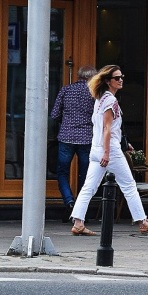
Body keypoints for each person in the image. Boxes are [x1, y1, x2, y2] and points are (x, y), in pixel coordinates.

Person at [69, 65, 148, 236]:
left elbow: (108, 128)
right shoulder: (110, 101)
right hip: (109, 150)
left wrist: (121, 144)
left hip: (97, 148)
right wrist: (108, 152)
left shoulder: (99, 99)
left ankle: (78, 222)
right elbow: (107, 128)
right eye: (116, 78)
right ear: (107, 81)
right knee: (128, 185)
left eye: (121, 77)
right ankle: (143, 222)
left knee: (89, 186)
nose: (121, 80)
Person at [50, 65, 97, 211]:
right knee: (86, 174)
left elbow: (55, 114)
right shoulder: (95, 93)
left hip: (66, 137)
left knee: (62, 172)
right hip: (87, 138)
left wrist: (66, 122)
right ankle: (81, 206)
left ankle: (69, 200)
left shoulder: (66, 90)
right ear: (91, 77)